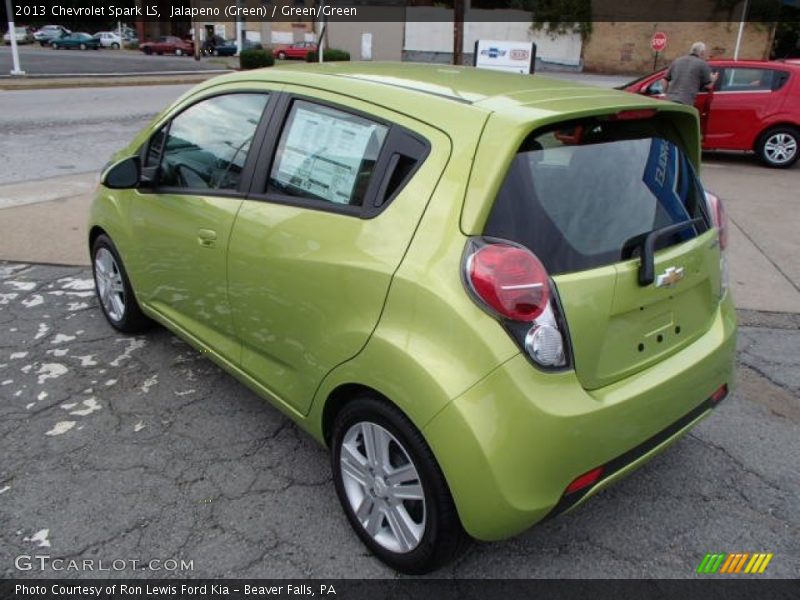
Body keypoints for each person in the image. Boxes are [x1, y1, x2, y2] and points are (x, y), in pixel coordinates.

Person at [662, 42, 719, 106]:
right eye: (705, 52)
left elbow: (664, 80)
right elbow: (708, 86)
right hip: (686, 102)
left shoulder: (677, 61)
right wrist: (714, 79)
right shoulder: (703, 64)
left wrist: (665, 93)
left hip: (670, 101)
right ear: (702, 52)